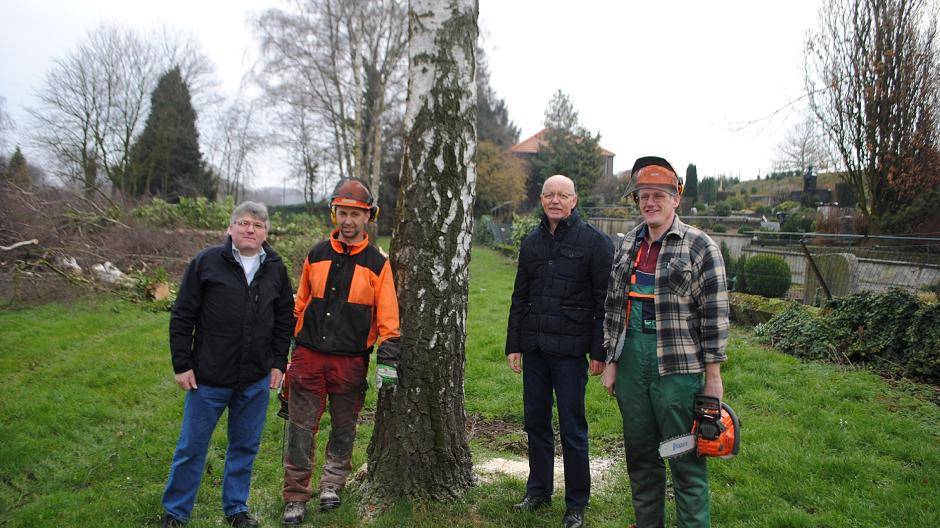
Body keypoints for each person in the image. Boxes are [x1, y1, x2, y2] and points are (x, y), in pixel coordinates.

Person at [601, 156, 729, 528]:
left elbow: (715, 317)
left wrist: (713, 377)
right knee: (642, 457)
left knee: (683, 457)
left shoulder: (700, 247)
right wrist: (611, 363)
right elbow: (613, 306)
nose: (650, 202)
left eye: (659, 194)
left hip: (678, 372)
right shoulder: (627, 245)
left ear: (676, 199)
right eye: (643, 195)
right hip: (631, 367)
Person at [161, 202, 294, 528]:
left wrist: (278, 362)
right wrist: (182, 364)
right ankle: (176, 512)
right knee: (192, 447)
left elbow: (284, 319)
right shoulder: (207, 263)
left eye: (258, 225)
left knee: (244, 447)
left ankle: (236, 509)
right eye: (244, 223)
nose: (250, 229)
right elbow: (182, 316)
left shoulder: (275, 266)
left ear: (266, 232)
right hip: (208, 377)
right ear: (230, 228)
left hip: (254, 378)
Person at [281, 178, 401, 526]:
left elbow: (389, 316)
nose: (348, 221)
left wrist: (388, 360)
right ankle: (296, 495)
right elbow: (300, 304)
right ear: (334, 214)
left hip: (350, 359)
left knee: (344, 426)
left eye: (355, 214)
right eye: (342, 213)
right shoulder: (316, 255)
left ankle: (332, 483)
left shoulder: (378, 263)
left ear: (368, 217)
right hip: (308, 355)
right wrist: (284, 348)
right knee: (301, 428)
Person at [506, 174, 614, 528]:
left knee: (572, 428)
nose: (555, 200)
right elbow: (520, 296)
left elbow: (604, 302)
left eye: (562, 195)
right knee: (535, 423)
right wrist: (514, 345)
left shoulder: (595, 243)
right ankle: (537, 491)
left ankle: (576, 503)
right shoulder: (532, 243)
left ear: (574, 200)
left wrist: (599, 351)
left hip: (570, 352)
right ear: (541, 200)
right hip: (535, 348)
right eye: (548, 195)